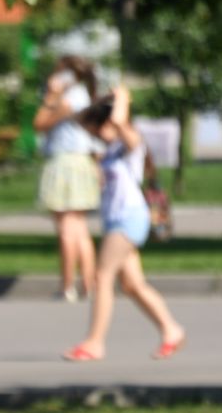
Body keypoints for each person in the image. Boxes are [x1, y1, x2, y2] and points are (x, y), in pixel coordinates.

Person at [63, 85, 188, 362]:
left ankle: (95, 343)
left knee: (102, 276)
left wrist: (122, 97)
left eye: (97, 128)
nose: (95, 134)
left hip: (129, 218)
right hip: (115, 220)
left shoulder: (131, 143)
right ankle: (171, 329)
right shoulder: (109, 151)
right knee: (132, 285)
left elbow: (119, 121)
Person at [35, 55, 102, 302]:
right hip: (81, 162)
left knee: (66, 229)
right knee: (79, 229)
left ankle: (67, 286)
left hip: (65, 163)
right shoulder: (83, 95)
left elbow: (39, 123)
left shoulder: (69, 99)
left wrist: (51, 96)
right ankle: (88, 283)